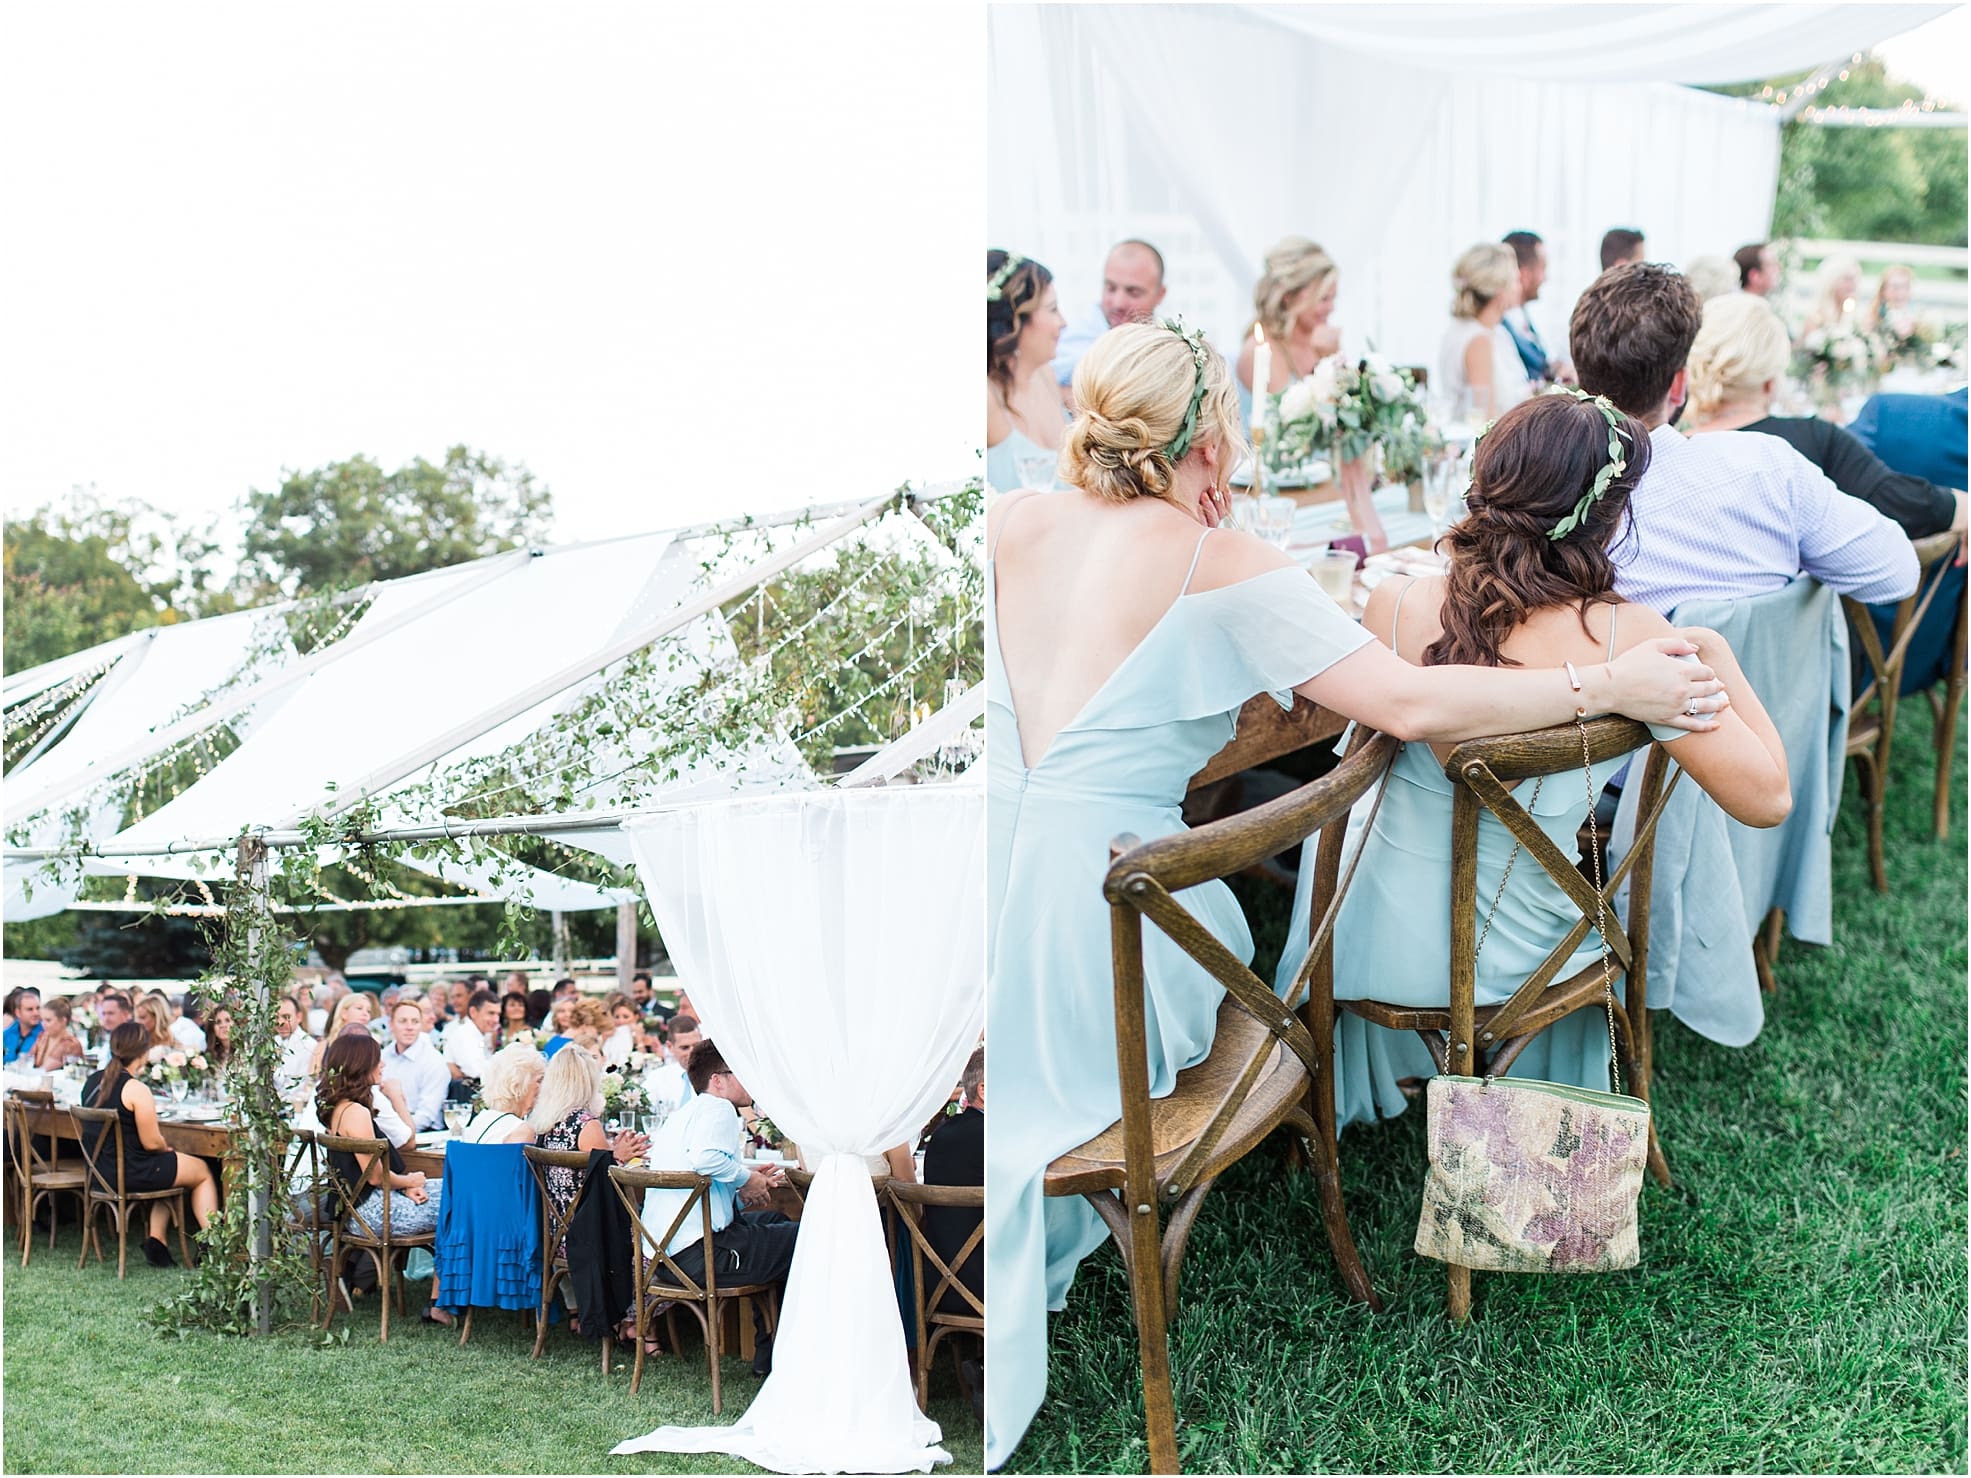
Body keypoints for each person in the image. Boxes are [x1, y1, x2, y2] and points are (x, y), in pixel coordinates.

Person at [983, 318, 1728, 1466]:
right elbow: (1415, 706)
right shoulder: (1224, 560)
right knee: (1202, 931)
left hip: (981, 921)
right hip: (1118, 945)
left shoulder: (1012, 518)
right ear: (1213, 439)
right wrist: (1608, 680)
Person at [1279, 391, 1791, 1129]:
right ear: (1609, 514)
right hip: (1530, 955)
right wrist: (1718, 655)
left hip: (1361, 936)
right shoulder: (1634, 642)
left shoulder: (1391, 604)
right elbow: (1766, 799)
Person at [1566, 261, 1918, 614]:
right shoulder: (1767, 467)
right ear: (1679, 385)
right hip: (1767, 669)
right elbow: (1898, 572)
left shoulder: (1550, 490)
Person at [1681, 292, 1963, 539]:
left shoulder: (1660, 452)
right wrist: (1961, 509)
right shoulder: (1813, 440)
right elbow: (1898, 499)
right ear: (1771, 379)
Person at [641, 1038, 795, 1377]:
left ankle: (768, 1353)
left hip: (665, 1258)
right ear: (718, 1080)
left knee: (774, 1220)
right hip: (701, 1258)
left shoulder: (685, 1115)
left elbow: (696, 1182)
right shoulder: (718, 1108)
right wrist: (745, 1179)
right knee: (804, 1235)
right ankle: (783, 1355)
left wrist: (747, 1186)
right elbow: (707, 1159)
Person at [315, 1032, 449, 1321]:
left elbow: (369, 1175)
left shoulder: (337, 1109)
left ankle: (442, 1298)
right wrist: (410, 1181)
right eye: (378, 1061)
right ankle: (441, 1301)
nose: (383, 1066)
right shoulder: (357, 1113)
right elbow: (375, 1177)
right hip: (373, 1215)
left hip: (355, 1211)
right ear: (361, 1065)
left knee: (451, 1191)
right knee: (458, 1197)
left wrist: (404, 1186)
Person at [82, 1021, 219, 1267]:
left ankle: (157, 1241)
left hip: (100, 1171)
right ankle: (214, 1243)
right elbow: (152, 1142)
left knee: (171, 1165)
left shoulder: (92, 1081)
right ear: (144, 1051)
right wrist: (164, 1145)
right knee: (202, 1172)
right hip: (132, 1172)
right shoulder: (136, 1089)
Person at [986, 249, 1068, 493]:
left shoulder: (1046, 375)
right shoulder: (988, 401)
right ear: (1015, 322)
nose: (1063, 322)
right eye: (1053, 309)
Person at [1052, 238, 1171, 399]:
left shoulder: (1174, 348)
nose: (1118, 303)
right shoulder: (1064, 341)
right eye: (1111, 288)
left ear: (1160, 294)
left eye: (1133, 292)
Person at [1236, 236, 1341, 399]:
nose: (1331, 308)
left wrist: (1334, 360)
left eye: (1333, 298)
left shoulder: (1322, 343)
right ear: (1288, 296)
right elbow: (1288, 422)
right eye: (1323, 299)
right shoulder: (1260, 349)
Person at [1437, 241, 1532, 420]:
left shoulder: (1496, 333)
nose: (1520, 287)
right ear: (1499, 290)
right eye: (1516, 280)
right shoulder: (1478, 341)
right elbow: (1484, 419)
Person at [922, 1046, 985, 1317]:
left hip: (937, 1285)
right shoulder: (994, 1139)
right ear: (984, 1090)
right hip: (988, 1287)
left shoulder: (941, 1134)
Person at [1500, 230, 1572, 387]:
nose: (1545, 278)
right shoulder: (1498, 324)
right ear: (1525, 274)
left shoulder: (1523, 315)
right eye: (1543, 268)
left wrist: (1556, 369)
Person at [380, 1001, 449, 1132]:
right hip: (386, 1130)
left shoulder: (434, 1061)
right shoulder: (383, 1057)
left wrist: (395, 1131)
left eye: (415, 1021)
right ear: (391, 1025)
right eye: (403, 1021)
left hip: (423, 1134)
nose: (409, 1027)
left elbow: (426, 1116)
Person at [460, 1044, 546, 1144]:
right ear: (518, 1086)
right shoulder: (522, 1132)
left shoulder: (478, 1121)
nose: (544, 1086)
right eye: (539, 1080)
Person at [443, 988, 499, 1099]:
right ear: (473, 1012)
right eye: (491, 1013)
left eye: (498, 1014)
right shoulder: (464, 1035)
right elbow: (476, 1072)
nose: (496, 1019)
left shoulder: (482, 1034)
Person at [308, 992, 376, 1077]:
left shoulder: (373, 1046)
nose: (365, 1013)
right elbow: (311, 1080)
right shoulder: (324, 1046)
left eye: (368, 1011)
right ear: (344, 1013)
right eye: (359, 1008)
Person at [1802, 254, 1863, 338]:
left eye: (1856, 278)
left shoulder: (1855, 317)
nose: (1854, 284)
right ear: (1833, 281)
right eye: (1848, 279)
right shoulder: (1815, 318)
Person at [29, 995, 82, 1070]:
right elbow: (27, 1060)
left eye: (48, 1020)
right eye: (41, 1020)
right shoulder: (42, 1036)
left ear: (63, 1021)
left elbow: (44, 1070)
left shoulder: (71, 1044)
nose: (43, 1024)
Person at [4, 987, 43, 1064]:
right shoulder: (5, 1034)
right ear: (18, 1012)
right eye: (30, 1009)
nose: (36, 1013)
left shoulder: (46, 1035)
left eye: (38, 1008)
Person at [135, 995, 175, 1061]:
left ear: (157, 1017)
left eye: (143, 1017)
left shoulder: (170, 1043)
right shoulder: (138, 1041)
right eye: (137, 1018)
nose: (138, 1022)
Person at [604, 994, 639, 1068]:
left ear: (635, 1017)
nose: (621, 1021)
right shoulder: (608, 1034)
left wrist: (638, 1039)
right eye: (617, 1017)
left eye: (626, 1017)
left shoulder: (642, 1035)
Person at [204, 1004, 234, 1072]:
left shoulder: (245, 1050)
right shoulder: (210, 1056)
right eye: (218, 1022)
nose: (223, 1025)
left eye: (227, 1020)